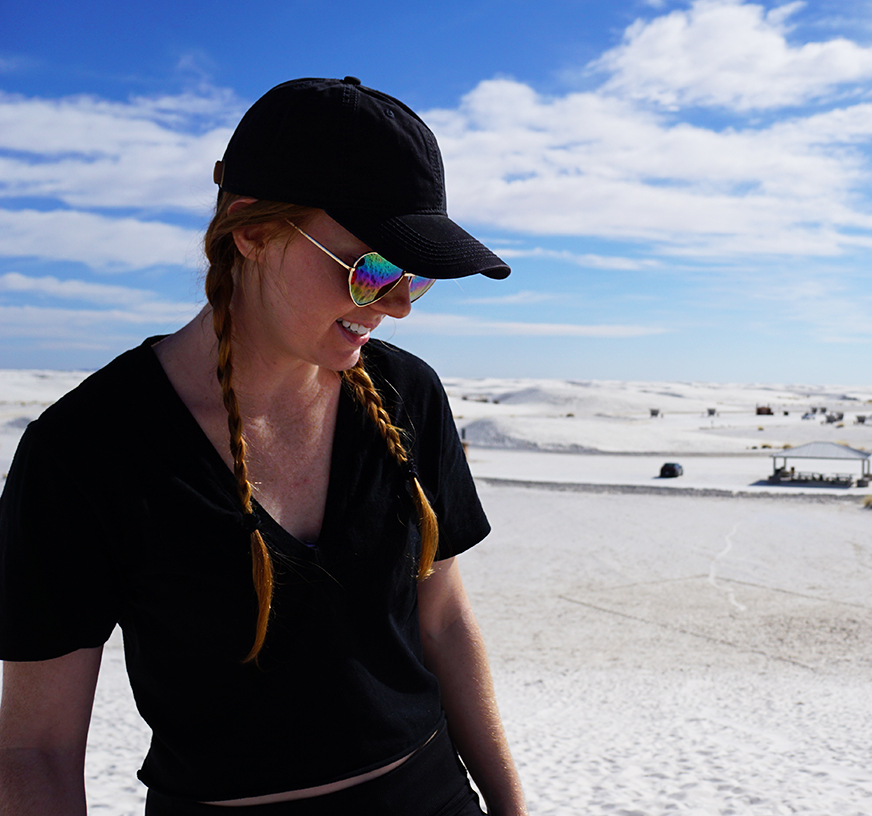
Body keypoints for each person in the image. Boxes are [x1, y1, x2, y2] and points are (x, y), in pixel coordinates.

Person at [0, 77, 526, 815]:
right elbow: (36, 749)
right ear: (251, 230)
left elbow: (442, 621)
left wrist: (511, 805)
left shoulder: (409, 398)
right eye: (371, 267)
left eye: (416, 277)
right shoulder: (85, 451)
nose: (400, 304)